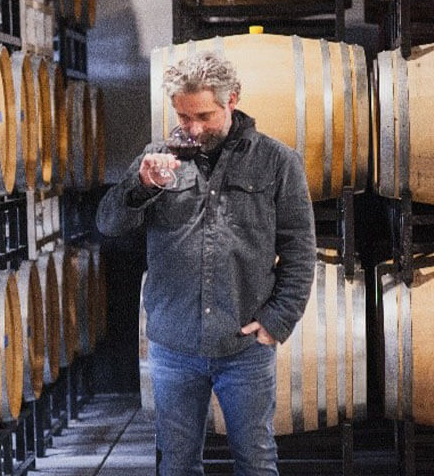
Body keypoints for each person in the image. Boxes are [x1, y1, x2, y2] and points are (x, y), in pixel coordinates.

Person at [96, 51, 316, 476]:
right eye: (183, 116)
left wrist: (278, 319)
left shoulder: (276, 161)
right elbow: (109, 223)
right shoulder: (157, 157)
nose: (192, 128)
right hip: (173, 346)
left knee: (255, 461)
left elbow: (300, 249)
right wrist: (142, 186)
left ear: (231, 99)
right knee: (176, 464)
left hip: (243, 346)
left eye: (203, 116)